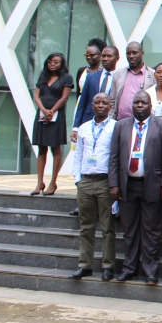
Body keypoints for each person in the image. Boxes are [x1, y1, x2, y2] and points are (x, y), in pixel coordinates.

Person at [109, 91, 162, 285]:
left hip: (152, 185)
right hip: (128, 185)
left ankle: (150, 271)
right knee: (129, 231)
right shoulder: (121, 126)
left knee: (152, 231)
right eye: (136, 102)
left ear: (150, 105)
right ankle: (129, 269)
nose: (139, 105)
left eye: (143, 102)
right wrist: (114, 184)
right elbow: (113, 157)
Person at [69, 92, 117, 281]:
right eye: (97, 102)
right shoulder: (83, 128)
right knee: (86, 226)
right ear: (92, 105)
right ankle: (85, 265)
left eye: (104, 103)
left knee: (107, 227)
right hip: (86, 181)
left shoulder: (116, 127)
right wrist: (77, 180)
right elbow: (78, 154)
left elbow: (116, 157)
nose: (101, 105)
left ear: (110, 107)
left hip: (105, 181)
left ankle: (107, 266)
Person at [31, 52, 74, 196]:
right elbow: (37, 95)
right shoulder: (43, 76)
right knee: (41, 149)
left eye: (56, 62)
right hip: (42, 116)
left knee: (55, 149)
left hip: (57, 116)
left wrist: (52, 111)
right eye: (50, 61)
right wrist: (43, 110)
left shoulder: (66, 78)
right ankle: (40, 182)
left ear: (62, 63)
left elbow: (65, 97)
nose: (52, 64)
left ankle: (53, 182)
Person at [74, 45, 119, 129]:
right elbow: (82, 104)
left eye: (109, 56)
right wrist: (76, 127)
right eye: (103, 56)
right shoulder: (91, 76)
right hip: (88, 120)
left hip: (110, 123)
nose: (105, 59)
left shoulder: (120, 78)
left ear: (117, 58)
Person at [70, 38, 106, 143]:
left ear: (100, 56)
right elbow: (79, 93)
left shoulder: (104, 72)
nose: (89, 58)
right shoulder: (82, 71)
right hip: (82, 106)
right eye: (87, 55)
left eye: (92, 55)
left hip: (97, 107)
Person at [111, 41, 155, 120]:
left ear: (142, 53)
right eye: (128, 53)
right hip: (120, 121)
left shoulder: (152, 75)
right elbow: (112, 100)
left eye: (134, 53)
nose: (131, 56)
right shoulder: (118, 74)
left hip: (142, 122)